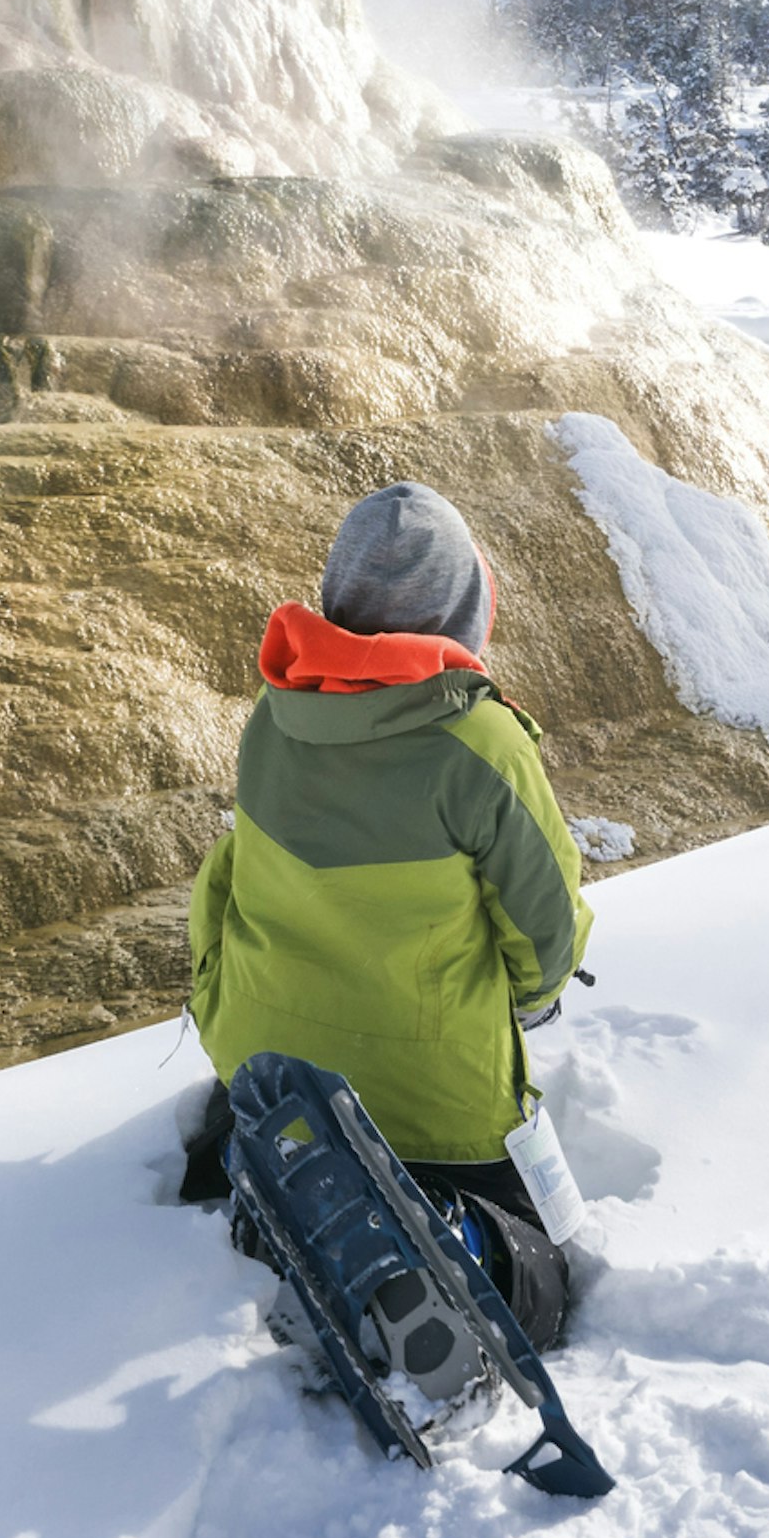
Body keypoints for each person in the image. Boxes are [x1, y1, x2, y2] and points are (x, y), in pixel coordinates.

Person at [183, 481, 590, 1269]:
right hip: (429, 1103)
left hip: (266, 1070)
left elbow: (230, 880)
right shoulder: (482, 744)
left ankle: (280, 1195)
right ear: (462, 611)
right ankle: (452, 1236)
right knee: (540, 1270)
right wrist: (537, 1001)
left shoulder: (274, 716)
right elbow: (545, 928)